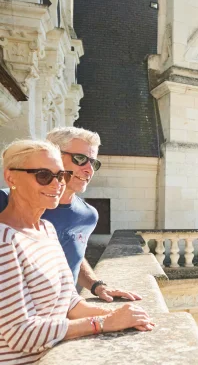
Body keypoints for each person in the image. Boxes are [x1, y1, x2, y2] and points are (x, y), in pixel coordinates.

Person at [0, 140, 154, 365]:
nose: (57, 183)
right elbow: (20, 333)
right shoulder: (4, 241)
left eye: (61, 175)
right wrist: (103, 324)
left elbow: (68, 301)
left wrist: (118, 314)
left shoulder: (45, 229)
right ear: (11, 177)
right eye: (43, 175)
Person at [0, 126, 140, 302]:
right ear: (52, 156)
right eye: (80, 159)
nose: (89, 170)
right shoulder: (5, 201)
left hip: (63, 316)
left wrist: (97, 286)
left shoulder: (88, 215)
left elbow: (73, 256)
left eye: (93, 163)